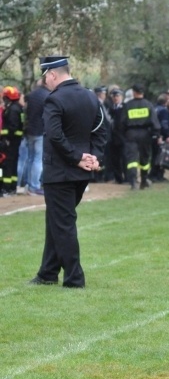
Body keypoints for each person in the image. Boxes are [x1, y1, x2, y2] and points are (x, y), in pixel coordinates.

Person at [29, 55, 107, 288]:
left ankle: (74, 279)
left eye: (46, 76)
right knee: (57, 221)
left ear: (53, 74)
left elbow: (54, 135)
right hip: (81, 174)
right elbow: (102, 129)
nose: (45, 82)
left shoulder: (54, 99)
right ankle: (48, 272)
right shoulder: (90, 96)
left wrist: (77, 158)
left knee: (63, 225)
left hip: (60, 173)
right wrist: (94, 157)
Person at [121, 84, 159, 190]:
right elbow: (154, 122)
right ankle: (144, 181)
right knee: (145, 158)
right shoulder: (148, 105)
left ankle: (133, 183)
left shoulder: (127, 105)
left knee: (131, 159)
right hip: (145, 134)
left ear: (134, 92)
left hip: (131, 134)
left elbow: (121, 122)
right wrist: (156, 134)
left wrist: (124, 134)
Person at [20, 80, 49, 195]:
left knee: (30, 158)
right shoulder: (48, 96)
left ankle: (28, 184)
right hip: (40, 131)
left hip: (30, 130)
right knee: (38, 159)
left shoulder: (31, 95)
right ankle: (34, 186)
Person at [1, 86, 24, 196]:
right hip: (15, 141)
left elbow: (12, 128)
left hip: (11, 142)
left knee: (8, 165)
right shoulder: (17, 108)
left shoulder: (12, 110)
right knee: (13, 164)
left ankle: (7, 188)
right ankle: (12, 187)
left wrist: (5, 137)